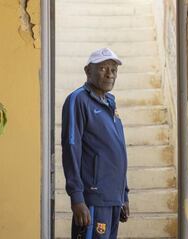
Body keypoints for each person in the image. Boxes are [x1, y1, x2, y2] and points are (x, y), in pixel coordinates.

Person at [61, 48, 130, 239]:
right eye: (103, 68)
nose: (110, 74)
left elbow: (118, 152)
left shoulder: (110, 102)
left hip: (112, 199)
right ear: (87, 71)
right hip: (93, 198)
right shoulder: (78, 100)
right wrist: (77, 197)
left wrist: (123, 195)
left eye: (114, 70)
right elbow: (71, 148)